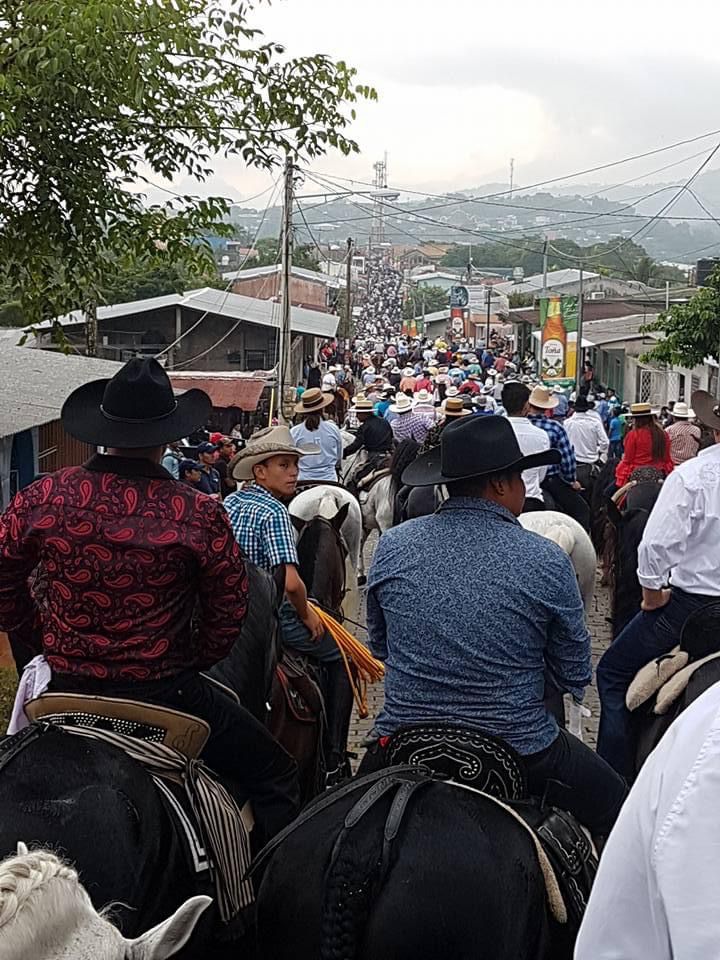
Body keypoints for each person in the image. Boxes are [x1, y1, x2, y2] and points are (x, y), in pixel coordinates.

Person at [0, 357, 299, 840]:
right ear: (167, 436)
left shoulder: (40, 498)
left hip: (63, 686)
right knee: (277, 775)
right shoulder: (199, 513)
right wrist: (186, 659)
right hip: (164, 692)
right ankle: (263, 909)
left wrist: (41, 645)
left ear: (103, 428)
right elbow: (230, 613)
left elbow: (4, 586)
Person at [362, 415, 627, 840]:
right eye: (520, 477)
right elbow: (575, 672)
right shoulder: (546, 559)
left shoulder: (392, 546)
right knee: (620, 810)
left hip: (404, 738)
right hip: (521, 743)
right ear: (501, 484)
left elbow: (379, 645)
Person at [596, 390, 720, 780]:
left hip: (694, 606)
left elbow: (654, 546)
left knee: (612, 674)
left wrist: (651, 594)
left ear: (714, 430)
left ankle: (614, 784)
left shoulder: (694, 476)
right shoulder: (666, 446)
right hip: (655, 473)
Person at [224, 427, 353, 783]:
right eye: (284, 465)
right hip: (270, 615)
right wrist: (308, 613)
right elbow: (293, 583)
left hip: (227, 613)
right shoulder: (275, 514)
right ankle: (334, 758)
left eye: (295, 464)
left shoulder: (228, 504)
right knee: (344, 657)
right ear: (259, 471)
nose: (294, 472)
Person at [577, 679, 720, 959]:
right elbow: (571, 667)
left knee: (610, 671)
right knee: (612, 675)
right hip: (529, 736)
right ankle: (619, 776)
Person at [527, 385, 590, 530]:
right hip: (551, 480)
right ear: (546, 407)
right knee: (582, 512)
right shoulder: (555, 427)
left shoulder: (521, 426)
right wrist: (571, 480)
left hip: (523, 480)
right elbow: (567, 459)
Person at [502, 382, 552, 512]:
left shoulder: (495, 432)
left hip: (502, 501)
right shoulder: (541, 435)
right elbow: (541, 475)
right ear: (526, 406)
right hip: (532, 498)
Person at [290, 388, 343, 483]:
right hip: (330, 479)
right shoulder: (333, 428)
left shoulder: (294, 432)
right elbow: (339, 457)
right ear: (322, 408)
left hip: (303, 479)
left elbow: (292, 459)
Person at [615, 403, 673, 488]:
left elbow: (628, 460)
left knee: (607, 493)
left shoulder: (633, 435)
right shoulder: (663, 434)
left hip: (637, 472)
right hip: (659, 471)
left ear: (636, 419)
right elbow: (666, 458)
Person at [564, 396, 609, 497]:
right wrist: (599, 451)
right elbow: (605, 442)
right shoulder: (595, 423)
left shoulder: (567, 423)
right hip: (591, 465)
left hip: (573, 466)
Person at [665, 401, 701, 465]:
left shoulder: (669, 430)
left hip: (674, 466)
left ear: (674, 417)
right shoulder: (697, 430)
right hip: (691, 465)